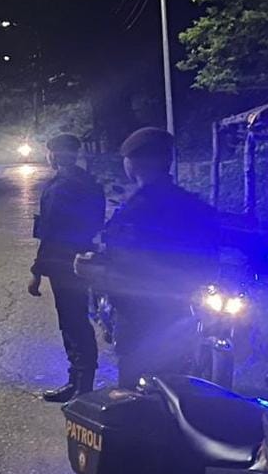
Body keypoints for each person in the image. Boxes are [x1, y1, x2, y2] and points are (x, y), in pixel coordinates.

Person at [78, 128, 220, 388]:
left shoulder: (137, 210)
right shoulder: (190, 205)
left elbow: (131, 265)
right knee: (174, 385)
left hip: (138, 317)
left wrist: (94, 269)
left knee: (134, 392)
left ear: (134, 163)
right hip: (179, 313)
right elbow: (206, 258)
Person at [28, 134, 105, 402]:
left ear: (57, 155)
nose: (48, 157)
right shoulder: (88, 182)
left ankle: (82, 385)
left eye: (50, 152)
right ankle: (78, 381)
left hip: (63, 263)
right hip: (82, 259)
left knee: (73, 322)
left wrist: (36, 272)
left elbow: (50, 232)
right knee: (76, 319)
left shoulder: (62, 187)